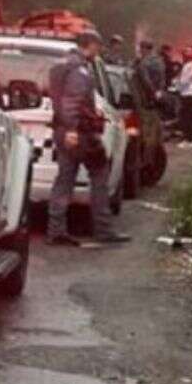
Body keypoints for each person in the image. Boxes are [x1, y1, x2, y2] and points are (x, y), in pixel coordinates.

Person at [46, 30, 131, 247]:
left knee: (64, 180)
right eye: (97, 46)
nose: (99, 51)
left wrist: (66, 129)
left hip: (63, 131)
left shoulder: (61, 64)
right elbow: (72, 101)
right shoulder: (79, 70)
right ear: (90, 45)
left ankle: (56, 230)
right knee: (100, 174)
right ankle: (103, 228)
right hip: (81, 134)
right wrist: (73, 129)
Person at [176, 44, 192, 144]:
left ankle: (189, 139)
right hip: (184, 93)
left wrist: (179, 84)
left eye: (189, 51)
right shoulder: (185, 64)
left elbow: (188, 78)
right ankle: (186, 136)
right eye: (185, 51)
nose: (186, 53)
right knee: (184, 116)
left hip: (190, 93)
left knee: (189, 116)